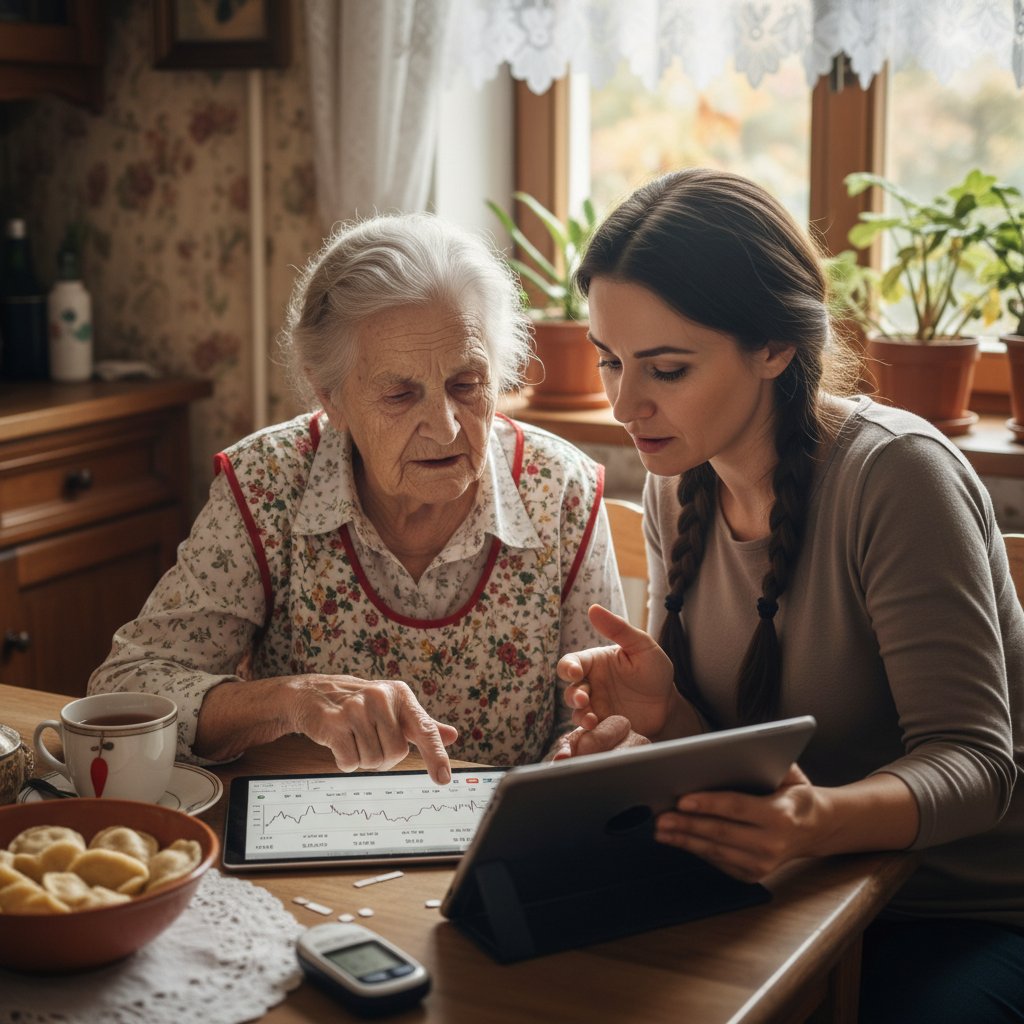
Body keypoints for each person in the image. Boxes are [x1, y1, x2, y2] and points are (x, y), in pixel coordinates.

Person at [551, 168, 1024, 1023]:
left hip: (962, 913)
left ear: (774, 348)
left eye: (665, 367)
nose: (626, 403)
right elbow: (753, 770)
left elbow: (978, 766)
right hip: (798, 891)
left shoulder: (898, 478)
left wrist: (812, 826)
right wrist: (667, 718)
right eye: (610, 362)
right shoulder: (676, 478)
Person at [88, 212, 625, 784]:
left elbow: (598, 714)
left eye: (466, 384)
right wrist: (292, 698)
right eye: (399, 393)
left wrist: (587, 750)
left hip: (500, 839)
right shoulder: (268, 482)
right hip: (306, 841)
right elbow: (126, 688)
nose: (445, 428)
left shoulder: (559, 489)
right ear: (331, 398)